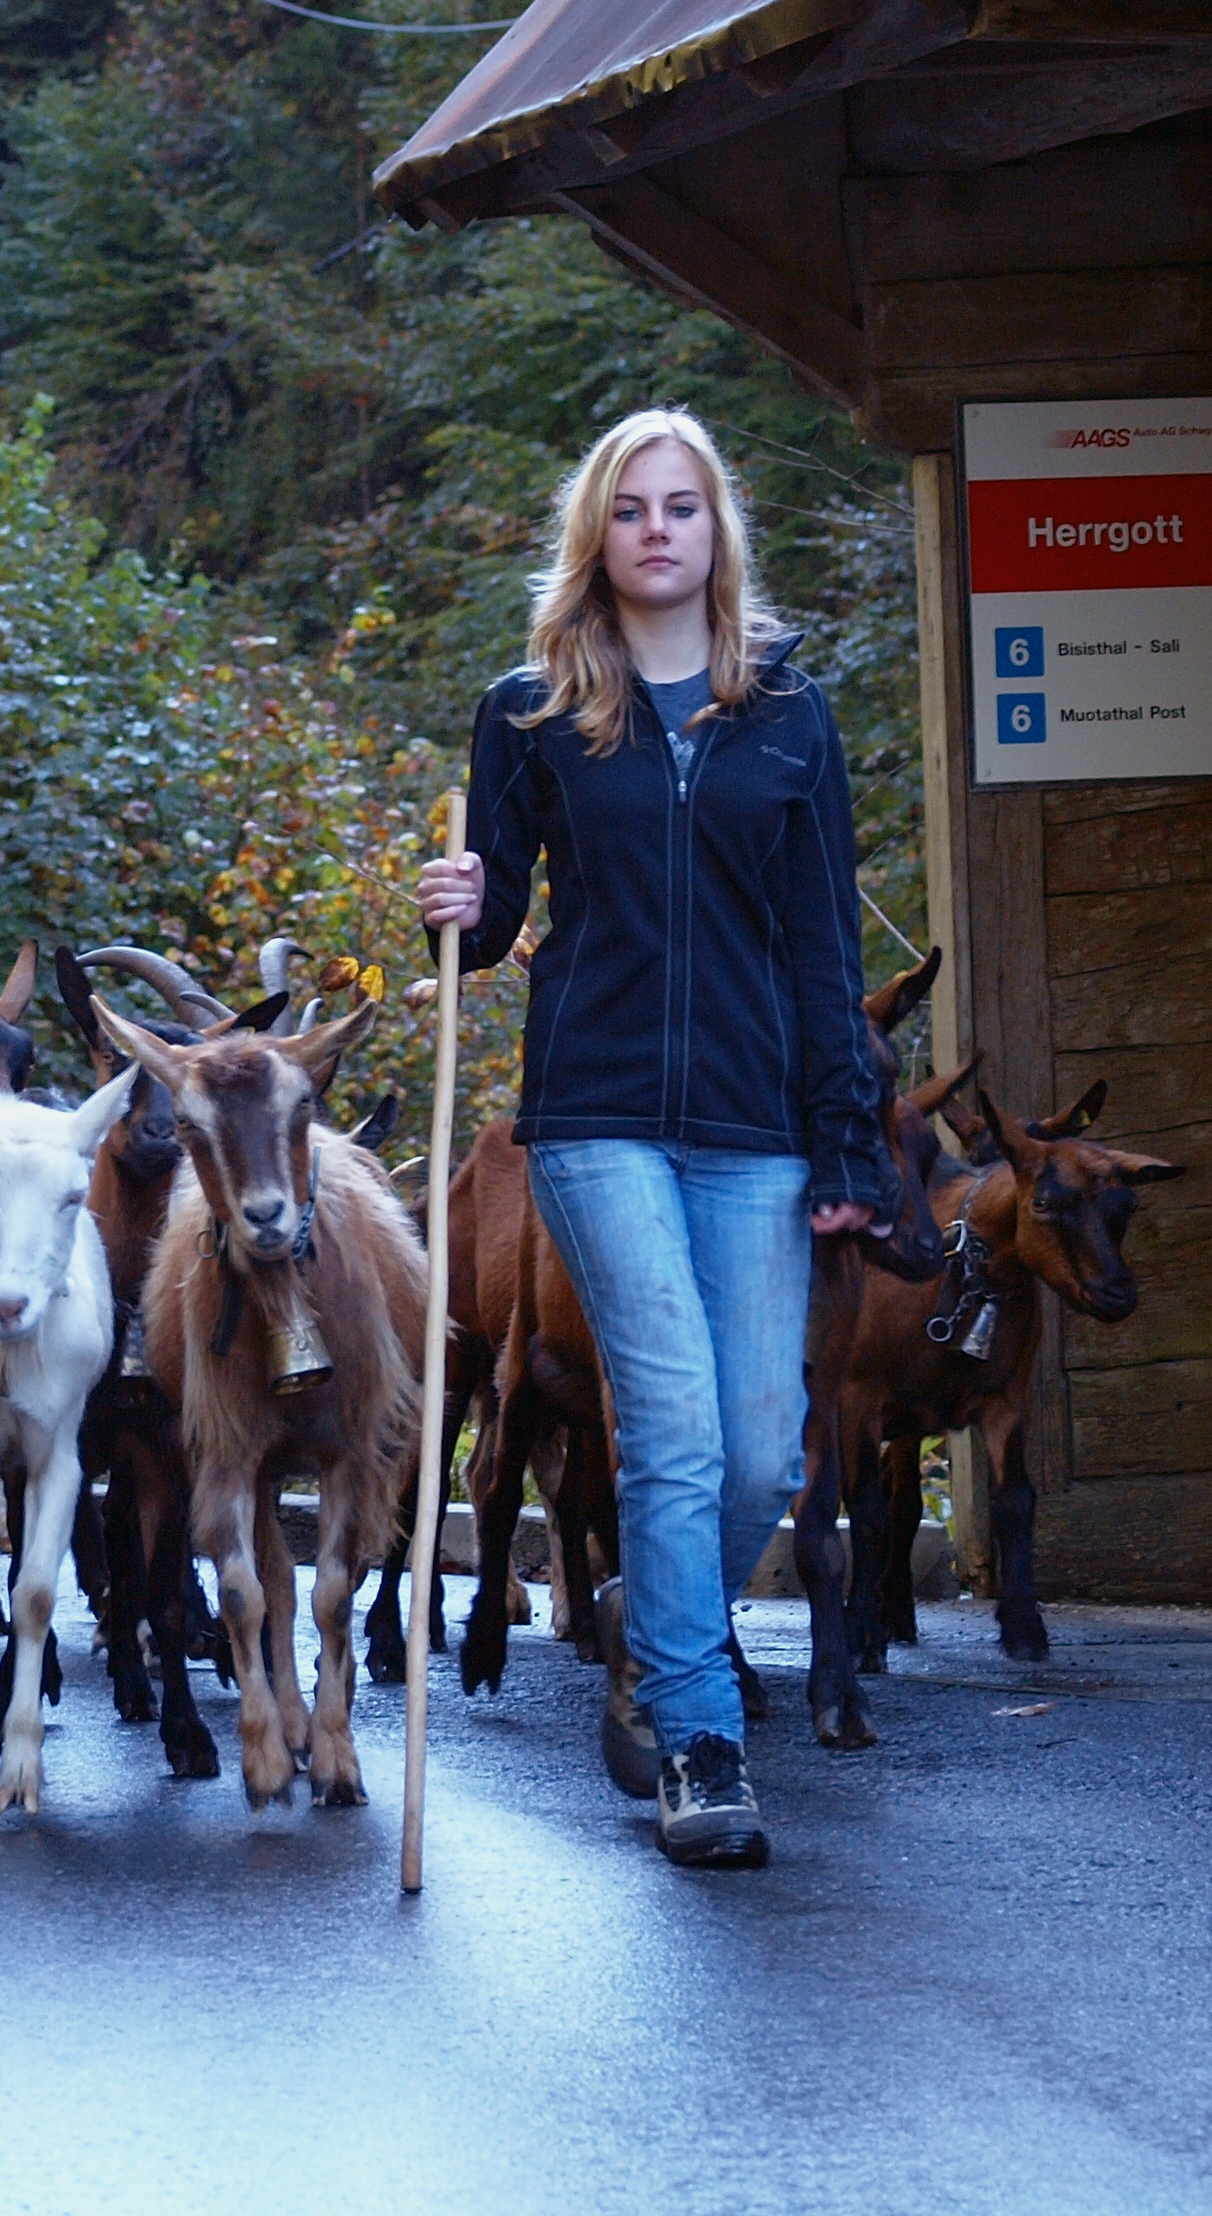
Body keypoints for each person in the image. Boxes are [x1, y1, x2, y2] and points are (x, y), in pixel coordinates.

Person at [414, 406, 894, 1873]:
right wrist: (455, 907)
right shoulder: (531, 711)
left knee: (757, 1444)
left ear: (718, 532)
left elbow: (822, 945)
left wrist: (853, 1145)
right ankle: (700, 1741)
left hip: (758, 1126)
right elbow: (490, 936)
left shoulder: (790, 716)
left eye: (684, 507)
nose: (661, 531)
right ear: (598, 538)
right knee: (675, 1428)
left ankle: (647, 1622)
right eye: (633, 510)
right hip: (597, 1115)